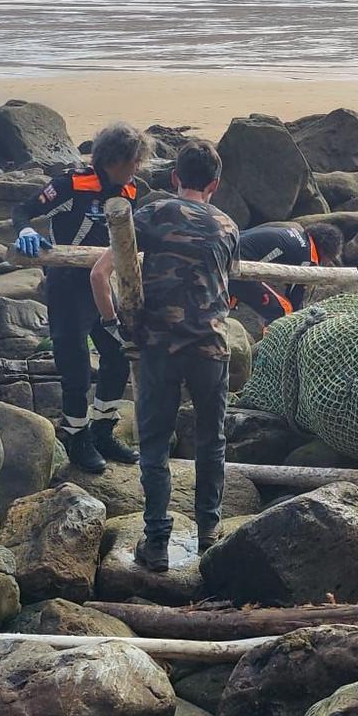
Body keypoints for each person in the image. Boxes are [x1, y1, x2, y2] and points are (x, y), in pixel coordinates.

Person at [88, 138, 239, 571]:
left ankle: (155, 543)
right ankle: (210, 531)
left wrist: (114, 326)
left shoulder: (150, 212)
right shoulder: (228, 226)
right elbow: (228, 287)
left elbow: (101, 275)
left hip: (157, 348)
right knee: (213, 441)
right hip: (211, 347)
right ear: (215, 184)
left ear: (174, 177)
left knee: (154, 446)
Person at [14, 122, 149, 473]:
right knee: (75, 368)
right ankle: (76, 436)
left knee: (118, 354)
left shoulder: (131, 192)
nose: (139, 167)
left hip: (101, 285)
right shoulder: (71, 185)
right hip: (66, 284)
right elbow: (22, 211)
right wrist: (26, 230)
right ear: (115, 158)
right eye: (135, 160)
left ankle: (103, 428)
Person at [232, 222, 343, 324]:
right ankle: (274, 344)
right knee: (284, 310)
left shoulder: (295, 236)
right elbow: (295, 293)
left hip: (226, 253)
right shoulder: (308, 256)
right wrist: (301, 319)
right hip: (236, 265)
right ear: (326, 251)